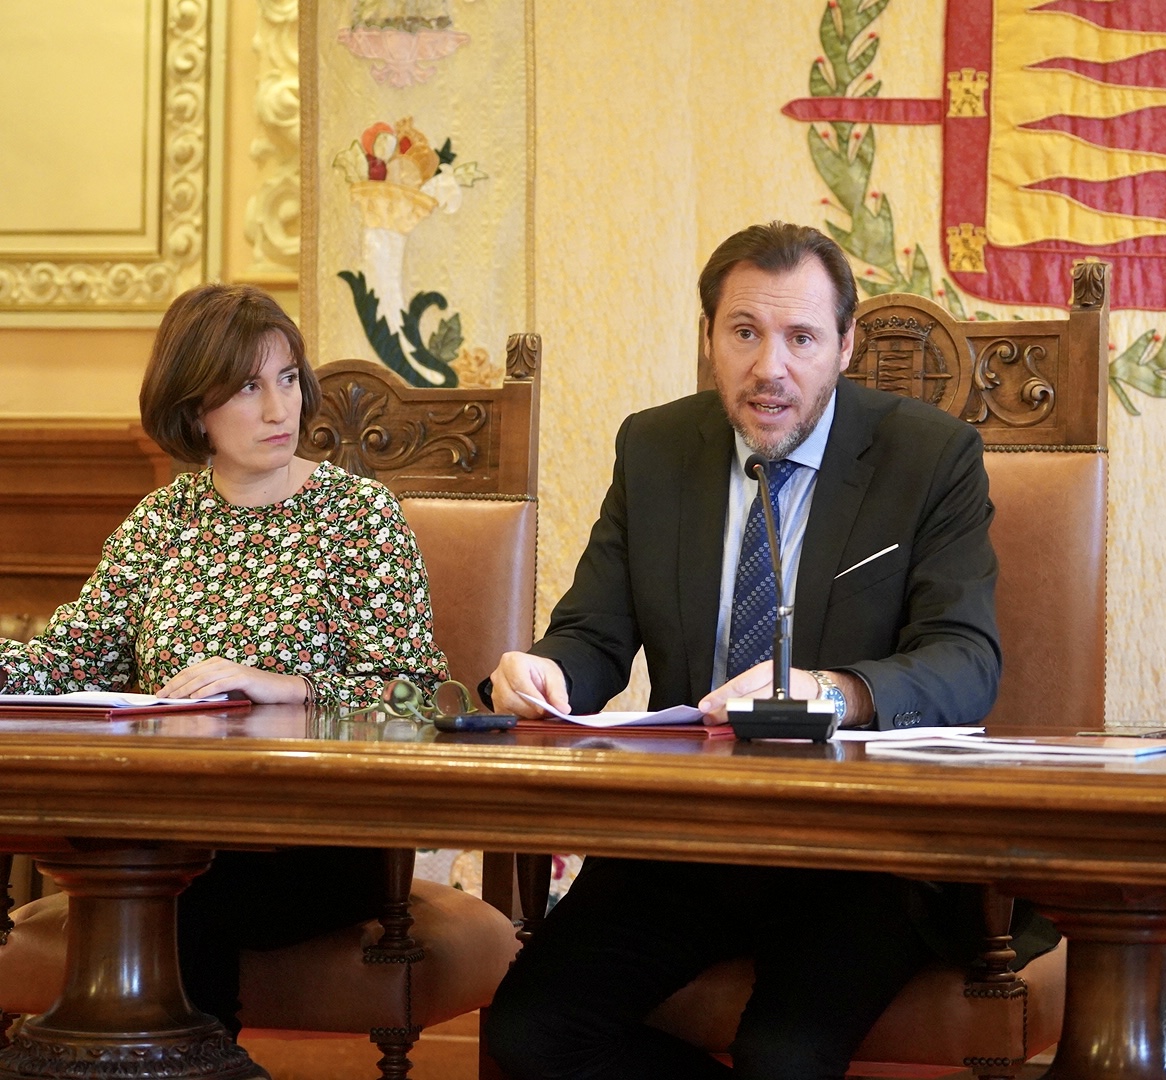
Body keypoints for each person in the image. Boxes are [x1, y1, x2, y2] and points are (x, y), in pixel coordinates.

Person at [482, 221, 1008, 1080]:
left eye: (801, 337)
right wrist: (548, 669)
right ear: (709, 339)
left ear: (845, 345)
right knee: (529, 1033)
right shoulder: (654, 448)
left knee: (783, 1057)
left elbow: (965, 660)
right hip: (690, 838)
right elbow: (593, 634)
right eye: (744, 333)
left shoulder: (930, 456)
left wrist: (834, 690)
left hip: (861, 853)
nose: (771, 367)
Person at [0, 283, 449, 1035]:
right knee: (147, 878)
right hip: (170, 823)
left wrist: (290, 687)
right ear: (193, 408)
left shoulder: (358, 516)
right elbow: (67, 662)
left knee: (169, 897)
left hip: (319, 833)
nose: (280, 410)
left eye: (287, 379)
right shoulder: (160, 521)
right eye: (247, 387)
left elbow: (421, 697)